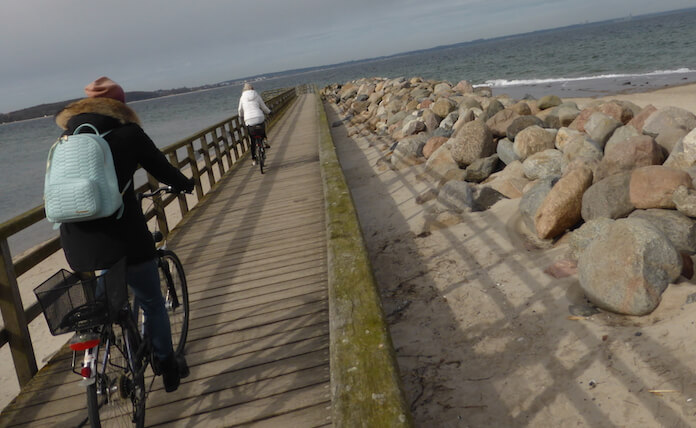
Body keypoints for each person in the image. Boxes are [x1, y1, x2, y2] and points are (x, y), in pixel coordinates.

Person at [54, 76, 195, 393]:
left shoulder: (66, 138)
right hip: (126, 238)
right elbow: (161, 168)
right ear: (120, 106)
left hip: (78, 243)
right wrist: (185, 183)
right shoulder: (129, 134)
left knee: (111, 300)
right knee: (152, 301)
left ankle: (105, 358)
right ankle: (166, 366)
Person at [237, 83, 271, 166]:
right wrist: (269, 112)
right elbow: (263, 107)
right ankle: (265, 140)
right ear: (252, 88)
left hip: (249, 120)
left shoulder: (242, 98)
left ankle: (254, 159)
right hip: (259, 117)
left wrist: (241, 115)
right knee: (262, 126)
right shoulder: (256, 95)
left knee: (252, 140)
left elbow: (240, 110)